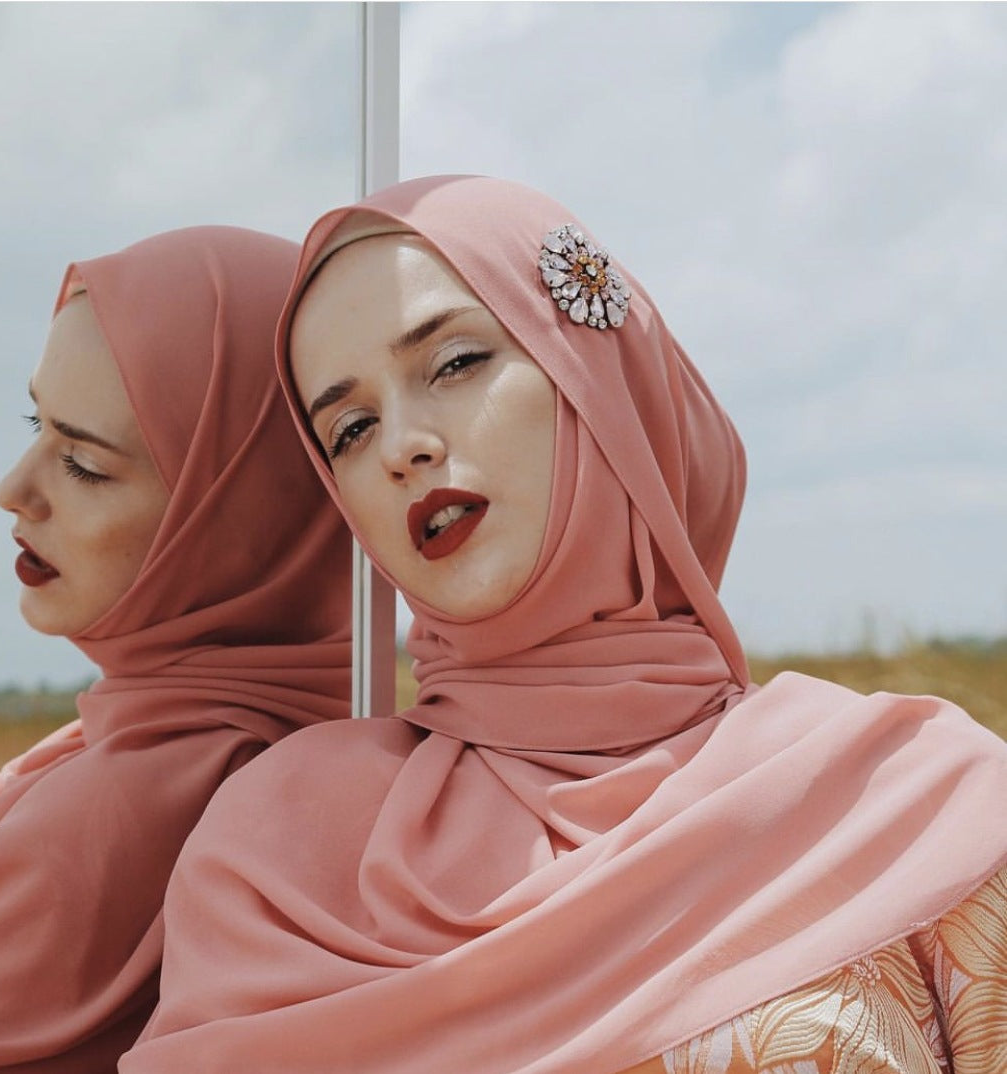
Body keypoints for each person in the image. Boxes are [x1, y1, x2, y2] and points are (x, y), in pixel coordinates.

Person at [121, 178, 1007, 1073]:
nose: (401, 447)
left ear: (599, 379)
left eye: (454, 364)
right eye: (349, 428)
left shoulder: (915, 798)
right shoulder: (278, 859)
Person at [0, 226, 352, 1070]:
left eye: (84, 465)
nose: (13, 490)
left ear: (241, 515)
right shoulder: (243, 745)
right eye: (35, 423)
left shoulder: (142, 797)